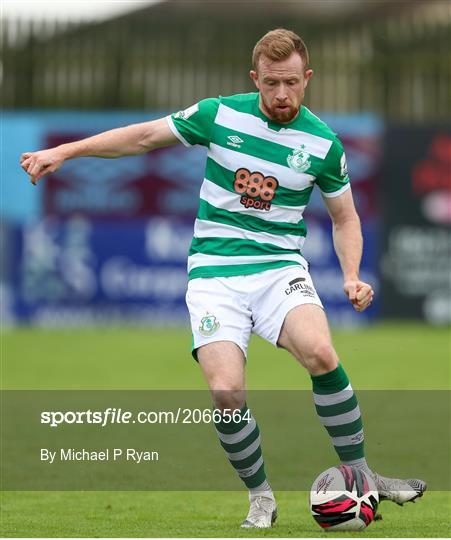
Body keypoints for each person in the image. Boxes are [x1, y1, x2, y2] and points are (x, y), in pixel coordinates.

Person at [21, 28, 426, 529]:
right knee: (226, 393)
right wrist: (66, 151)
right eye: (272, 83)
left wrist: (350, 275)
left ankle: (364, 475)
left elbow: (345, 219)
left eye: (292, 83)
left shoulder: (324, 144)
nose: (282, 95)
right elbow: (144, 137)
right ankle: (260, 497)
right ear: (255, 78)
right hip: (214, 273)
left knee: (322, 353)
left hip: (279, 269)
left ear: (308, 80)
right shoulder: (220, 114)